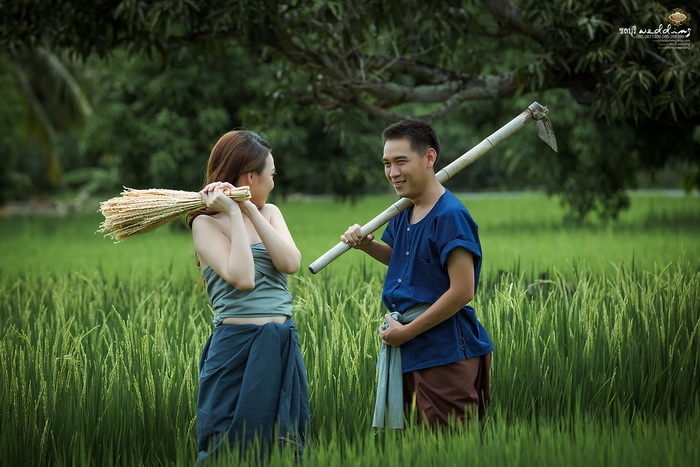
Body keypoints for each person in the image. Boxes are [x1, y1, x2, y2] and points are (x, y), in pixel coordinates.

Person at [342, 119, 493, 428]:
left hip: (445, 352)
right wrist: (366, 245)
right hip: (410, 348)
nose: (393, 173)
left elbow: (463, 290)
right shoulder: (404, 210)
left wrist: (407, 332)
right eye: (386, 164)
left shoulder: (450, 215)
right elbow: (404, 261)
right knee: (414, 447)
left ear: (429, 158)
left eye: (401, 162)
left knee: (447, 447)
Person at [187, 130, 310, 461]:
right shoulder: (204, 224)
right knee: (227, 443)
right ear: (250, 177)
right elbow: (243, 278)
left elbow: (291, 263)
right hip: (235, 346)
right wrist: (231, 214)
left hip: (281, 342)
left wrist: (250, 209)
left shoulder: (270, 213)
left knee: (282, 442)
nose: (273, 180)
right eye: (270, 173)